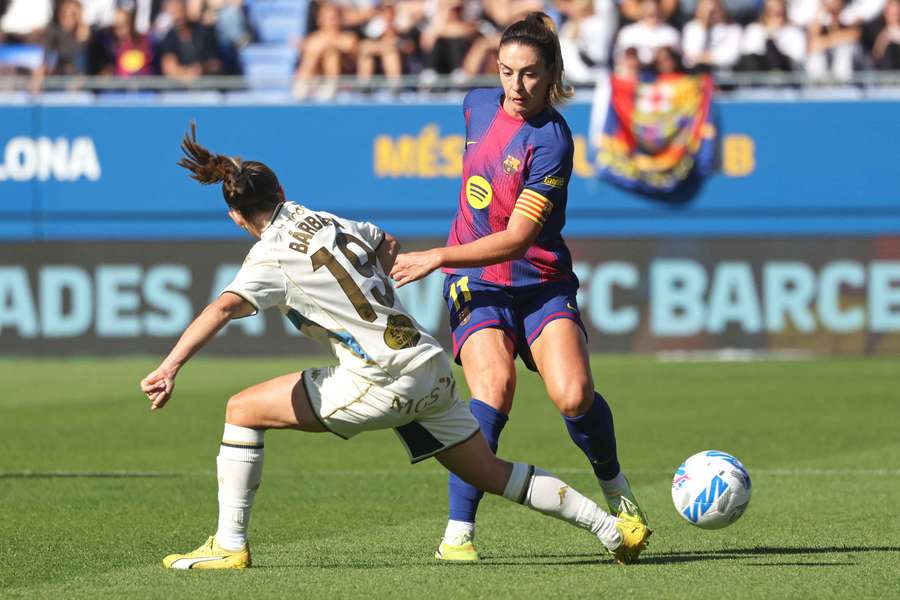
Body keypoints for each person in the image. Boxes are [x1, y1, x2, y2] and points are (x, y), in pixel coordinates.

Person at [140, 124, 651, 570]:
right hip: (427, 363)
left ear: (236, 216)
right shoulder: (323, 219)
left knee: (241, 409)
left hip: (380, 378)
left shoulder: (267, 255)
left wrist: (170, 366)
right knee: (493, 474)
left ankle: (229, 545)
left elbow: (221, 309)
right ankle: (612, 530)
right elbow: (384, 241)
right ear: (281, 191)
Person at [389, 12, 649, 563]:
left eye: (529, 74)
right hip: (476, 280)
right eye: (506, 71)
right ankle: (458, 534)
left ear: (552, 72)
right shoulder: (476, 106)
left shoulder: (552, 141)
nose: (515, 86)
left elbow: (516, 239)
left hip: (539, 283)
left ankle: (616, 491)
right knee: (493, 388)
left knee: (574, 396)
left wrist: (436, 255)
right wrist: (452, 261)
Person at [738, 0, 806, 72]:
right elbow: (747, 53)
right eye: (770, 12)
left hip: (785, 71)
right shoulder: (753, 29)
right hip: (758, 70)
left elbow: (796, 58)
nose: (774, 16)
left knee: (771, 49)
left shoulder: (794, 32)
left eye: (778, 13)